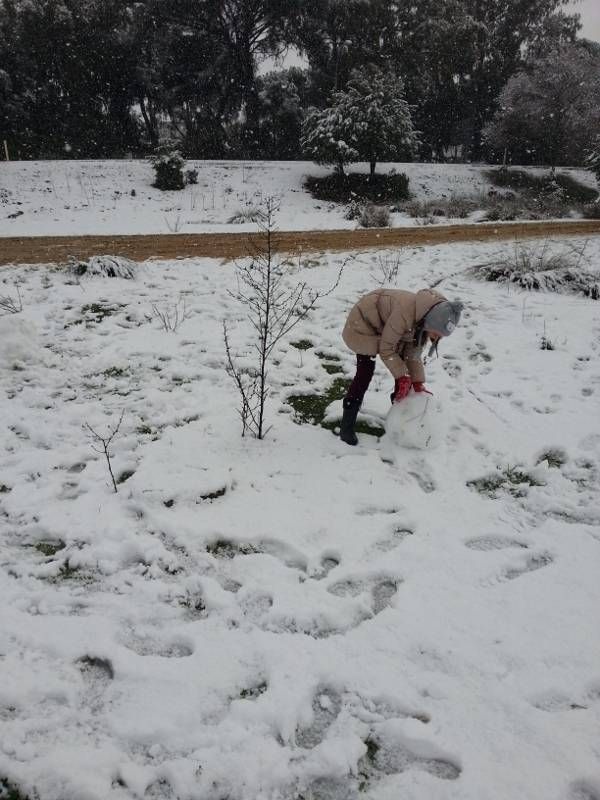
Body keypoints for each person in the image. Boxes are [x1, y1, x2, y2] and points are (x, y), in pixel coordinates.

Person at [339, 287, 463, 445]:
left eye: (441, 336)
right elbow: (386, 349)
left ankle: (397, 423)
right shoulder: (406, 312)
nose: (437, 338)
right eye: (437, 333)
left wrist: (417, 382)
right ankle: (346, 427)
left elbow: (412, 355)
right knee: (365, 372)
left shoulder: (424, 320)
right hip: (364, 323)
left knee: (405, 380)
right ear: (433, 322)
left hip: (388, 328)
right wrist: (402, 376)